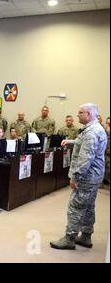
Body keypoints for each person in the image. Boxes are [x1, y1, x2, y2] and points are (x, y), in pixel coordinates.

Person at [50, 103, 107, 250]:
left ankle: (69, 238)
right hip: (94, 175)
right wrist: (71, 142)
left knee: (75, 206)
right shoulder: (94, 129)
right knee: (88, 206)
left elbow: (85, 159)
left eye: (80, 112)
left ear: (89, 114)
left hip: (86, 177)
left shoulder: (91, 132)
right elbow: (85, 144)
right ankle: (86, 236)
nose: (77, 115)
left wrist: (75, 177)